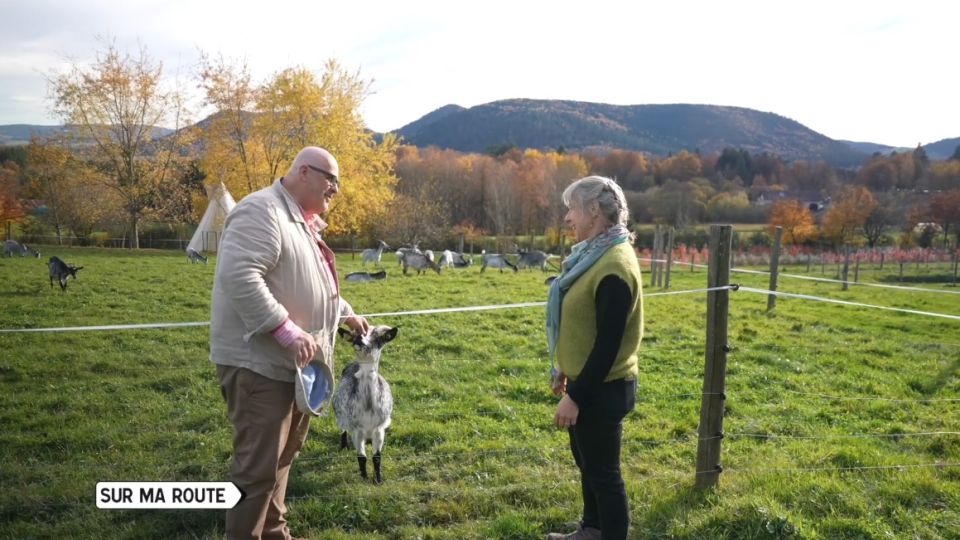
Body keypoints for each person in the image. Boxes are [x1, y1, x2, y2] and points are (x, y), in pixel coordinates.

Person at [210, 146, 369, 540]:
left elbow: (307, 278)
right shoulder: (260, 211)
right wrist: (285, 329)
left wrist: (344, 311)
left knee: (280, 460)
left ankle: (274, 533)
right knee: (256, 469)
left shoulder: (299, 219)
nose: (336, 188)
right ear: (303, 172)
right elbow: (240, 276)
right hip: (260, 364)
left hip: (296, 366)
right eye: (331, 179)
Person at [545, 176, 643, 540]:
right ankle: (592, 530)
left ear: (593, 211)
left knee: (604, 475)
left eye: (571, 209)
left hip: (602, 389)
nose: (567, 218)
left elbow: (608, 347)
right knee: (589, 466)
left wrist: (576, 397)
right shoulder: (594, 256)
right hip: (588, 384)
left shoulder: (614, 267)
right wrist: (566, 370)